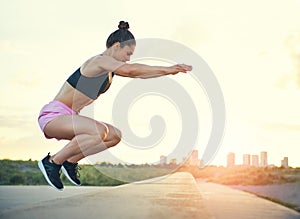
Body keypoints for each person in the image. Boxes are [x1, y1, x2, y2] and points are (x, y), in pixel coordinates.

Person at [37, 21, 192, 191]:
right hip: (54, 116)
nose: (128, 59)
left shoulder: (109, 70)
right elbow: (131, 70)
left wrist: (169, 71)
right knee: (100, 132)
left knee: (114, 136)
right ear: (117, 46)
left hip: (69, 118)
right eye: (128, 53)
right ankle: (52, 162)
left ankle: (70, 161)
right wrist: (167, 68)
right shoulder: (98, 61)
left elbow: (138, 74)